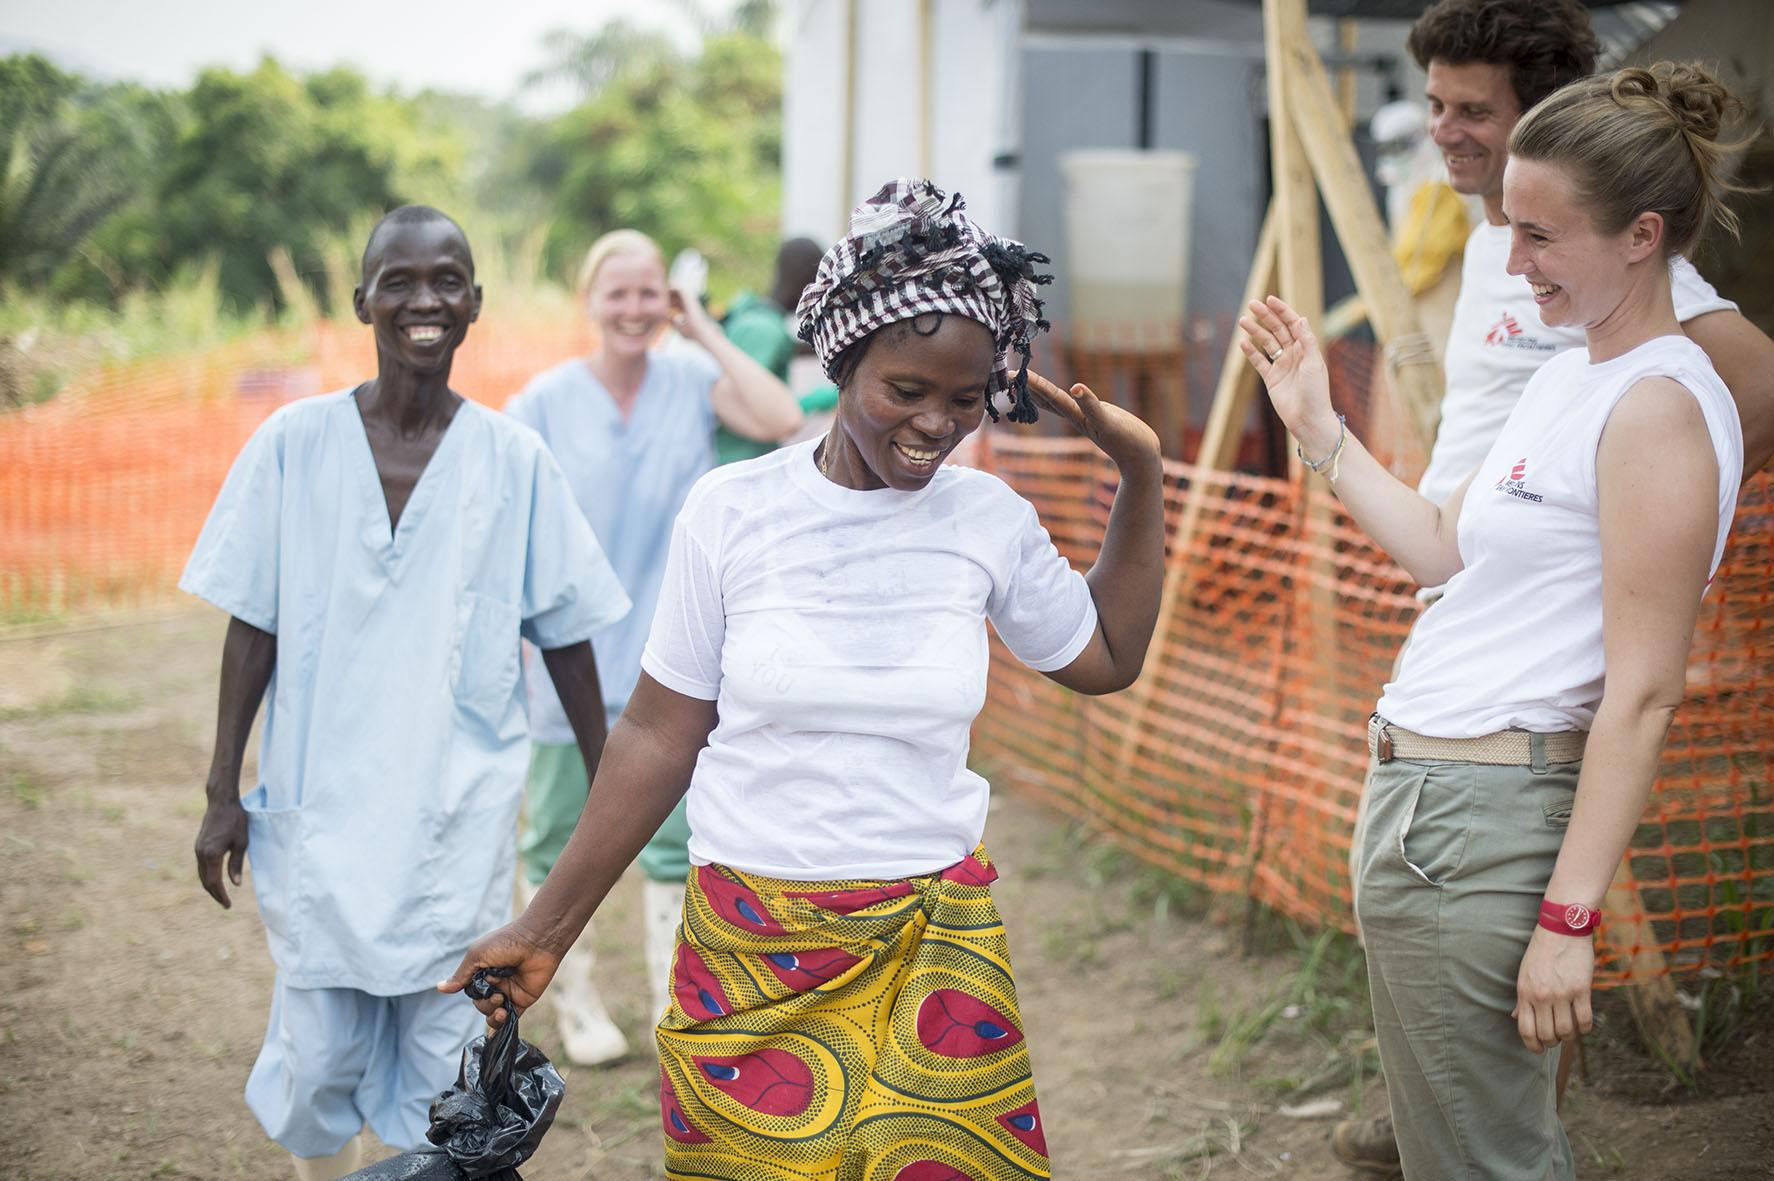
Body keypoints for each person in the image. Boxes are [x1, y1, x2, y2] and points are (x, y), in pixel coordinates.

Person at [441, 178, 1165, 1178]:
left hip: (932, 946)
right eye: (904, 391)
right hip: (751, 946)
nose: (934, 425)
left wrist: (1142, 482)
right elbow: (657, 733)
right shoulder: (734, 510)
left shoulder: (985, 519)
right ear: (842, 360)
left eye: (963, 399)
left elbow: (1106, 657)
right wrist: (545, 926)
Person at [1242, 62, 1749, 1181]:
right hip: (1435, 809)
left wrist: (1568, 922)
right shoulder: (1572, 375)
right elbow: (1436, 542)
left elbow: (1645, 689)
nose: (1509, 264)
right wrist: (1319, 428)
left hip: (1486, 818)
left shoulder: (1657, 405)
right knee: (1464, 1151)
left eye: (1538, 236)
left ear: (1641, 234)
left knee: (1481, 1161)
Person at [184, 206, 630, 1181]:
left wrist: (609, 788)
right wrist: (223, 789)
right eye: (399, 280)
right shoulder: (292, 445)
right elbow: (251, 622)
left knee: (440, 1083)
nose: (422, 299)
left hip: (450, 827)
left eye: (445, 280)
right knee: (315, 1073)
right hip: (321, 818)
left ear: (474, 303)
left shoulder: (512, 461)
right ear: (361, 301)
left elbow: (566, 632)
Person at [504, 228, 804, 1065]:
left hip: (673, 664)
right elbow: (505, 521)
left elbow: (781, 417)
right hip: (568, 658)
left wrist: (700, 325)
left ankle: (678, 1006)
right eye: (619, 293)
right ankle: (576, 1003)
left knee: (676, 840)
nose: (634, 309)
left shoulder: (691, 380)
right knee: (562, 834)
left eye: (650, 294)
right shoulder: (543, 401)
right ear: (590, 302)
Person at [714, 236, 840, 464]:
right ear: (806, 280)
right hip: (741, 458)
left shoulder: (755, 318)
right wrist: (818, 400)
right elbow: (743, 397)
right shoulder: (765, 331)